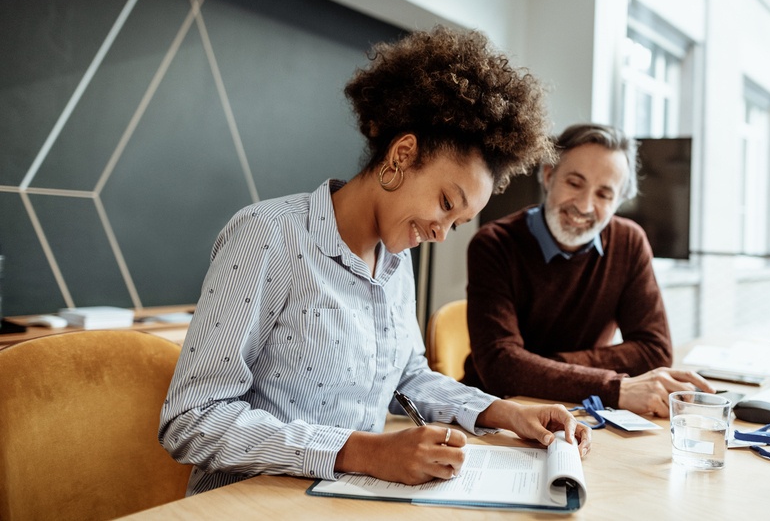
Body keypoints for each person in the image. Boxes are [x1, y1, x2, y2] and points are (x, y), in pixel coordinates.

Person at [159, 26, 590, 496]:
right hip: (250, 504)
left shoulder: (395, 261)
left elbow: (408, 376)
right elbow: (192, 419)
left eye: (458, 223)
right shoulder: (271, 236)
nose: (441, 235)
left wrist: (501, 411)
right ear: (402, 154)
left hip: (346, 501)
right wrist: (364, 451)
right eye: (446, 203)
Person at [463, 123, 714, 417]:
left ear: (618, 202)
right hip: (500, 412)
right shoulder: (494, 244)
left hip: (582, 410)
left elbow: (654, 353)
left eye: (604, 195)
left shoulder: (629, 242)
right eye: (574, 183)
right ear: (548, 176)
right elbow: (500, 368)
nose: (584, 205)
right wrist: (614, 387)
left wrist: (535, 365)